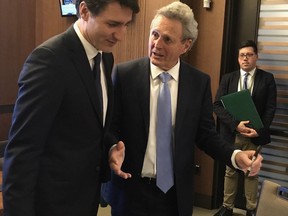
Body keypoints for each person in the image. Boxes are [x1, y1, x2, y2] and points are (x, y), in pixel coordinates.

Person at [106, 2, 263, 216]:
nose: (156, 45)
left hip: (175, 195)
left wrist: (235, 156)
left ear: (186, 45)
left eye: (167, 39)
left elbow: (206, 135)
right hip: (131, 189)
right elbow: (110, 126)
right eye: (154, 34)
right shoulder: (124, 75)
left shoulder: (198, 83)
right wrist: (111, 148)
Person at [2, 0, 139, 216]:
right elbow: (22, 151)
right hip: (50, 204)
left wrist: (110, 146)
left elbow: (89, 122)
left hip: (85, 199)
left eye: (126, 25)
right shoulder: (49, 60)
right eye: (112, 24)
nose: (120, 35)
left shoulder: (105, 57)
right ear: (84, 11)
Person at [213, 40, 277, 216]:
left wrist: (260, 129)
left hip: (254, 134)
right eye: (242, 55)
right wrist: (236, 125)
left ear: (256, 56)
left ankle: (250, 209)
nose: (245, 59)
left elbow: (270, 108)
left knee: (252, 172)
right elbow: (217, 105)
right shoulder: (228, 78)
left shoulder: (267, 79)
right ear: (238, 58)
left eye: (249, 55)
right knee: (230, 170)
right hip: (233, 133)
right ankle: (227, 207)